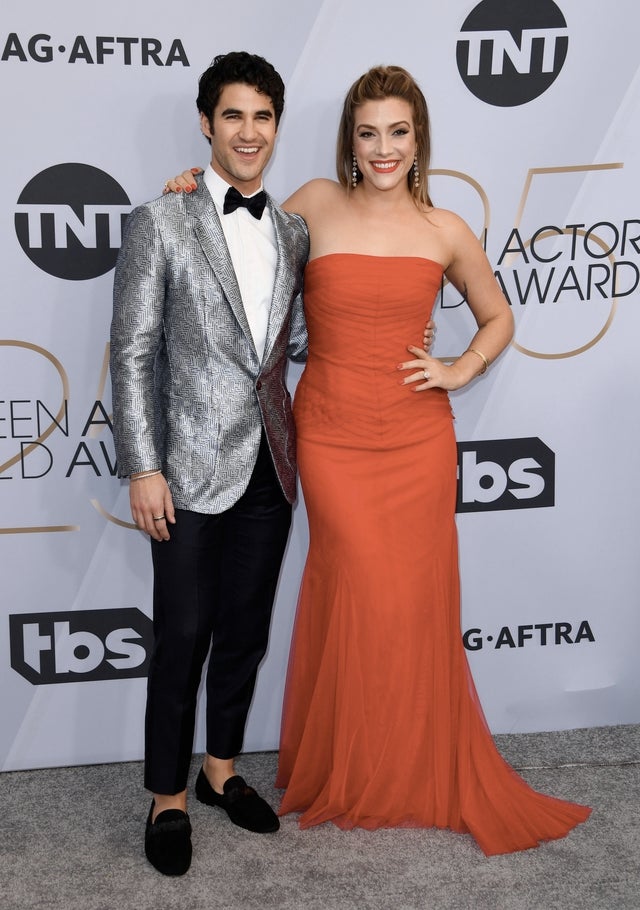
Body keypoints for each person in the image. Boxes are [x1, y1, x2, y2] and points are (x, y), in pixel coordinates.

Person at [165, 65, 590, 855]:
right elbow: (236, 253)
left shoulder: (446, 230)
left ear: (419, 137)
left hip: (417, 439)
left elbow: (497, 316)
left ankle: (405, 765)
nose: (383, 148)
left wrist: (459, 369)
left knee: (408, 604)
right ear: (349, 141)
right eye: (368, 132)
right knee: (353, 589)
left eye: (398, 131)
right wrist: (193, 196)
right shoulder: (317, 204)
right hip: (328, 435)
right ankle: (347, 766)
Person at [110, 51, 311, 876]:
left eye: (263, 116)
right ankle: (166, 797)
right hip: (186, 467)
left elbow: (288, 343)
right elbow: (131, 351)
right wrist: (141, 467)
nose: (249, 131)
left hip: (273, 459)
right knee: (184, 635)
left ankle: (221, 770)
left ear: (276, 126)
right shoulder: (161, 219)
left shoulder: (295, 229)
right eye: (233, 115)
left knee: (246, 634)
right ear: (206, 123)